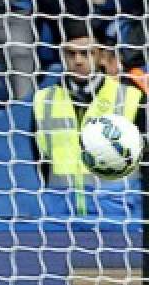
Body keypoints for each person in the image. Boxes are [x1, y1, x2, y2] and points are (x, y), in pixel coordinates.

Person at [31, 23, 147, 217]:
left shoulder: (131, 97)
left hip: (117, 212)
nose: (78, 61)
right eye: (71, 53)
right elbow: (40, 156)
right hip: (61, 211)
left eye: (86, 53)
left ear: (100, 55)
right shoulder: (44, 99)